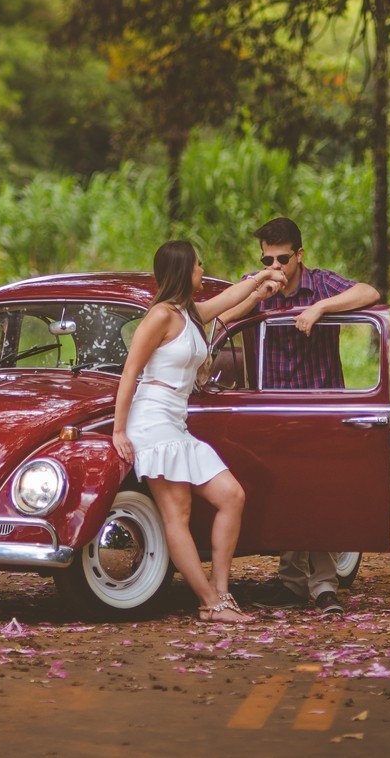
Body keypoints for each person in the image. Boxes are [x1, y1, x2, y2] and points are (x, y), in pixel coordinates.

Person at [112, 239, 278, 624]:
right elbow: (130, 371)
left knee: (231, 496)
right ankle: (209, 603)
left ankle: (220, 591)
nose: (203, 271)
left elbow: (230, 306)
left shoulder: (188, 314)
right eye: (199, 265)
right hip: (152, 421)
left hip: (176, 422)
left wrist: (259, 286)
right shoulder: (160, 316)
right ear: (183, 271)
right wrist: (120, 430)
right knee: (178, 515)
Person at [247, 214, 382, 615]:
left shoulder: (320, 282)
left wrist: (320, 307)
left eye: (283, 260)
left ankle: (322, 586)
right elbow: (225, 313)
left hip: (318, 408)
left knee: (312, 495)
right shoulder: (258, 284)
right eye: (267, 260)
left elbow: (369, 292)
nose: (275, 268)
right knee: (286, 495)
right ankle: (292, 583)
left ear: (300, 255)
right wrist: (257, 289)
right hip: (274, 408)